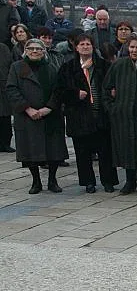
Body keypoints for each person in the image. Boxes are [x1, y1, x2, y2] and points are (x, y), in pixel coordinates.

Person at [56, 34, 117, 193]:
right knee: (83, 152)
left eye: (88, 44)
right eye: (81, 44)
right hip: (79, 115)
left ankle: (108, 181)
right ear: (76, 47)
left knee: (105, 151)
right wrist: (75, 94)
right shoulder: (68, 68)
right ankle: (88, 182)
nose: (85, 47)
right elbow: (60, 91)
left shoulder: (103, 65)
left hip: (100, 113)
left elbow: (112, 86)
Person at [5, 38, 68, 193]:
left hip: (50, 116)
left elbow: (58, 90)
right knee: (30, 150)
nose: (34, 51)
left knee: (54, 150)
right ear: (25, 51)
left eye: (38, 49)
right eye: (31, 48)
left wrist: (49, 108)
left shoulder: (51, 67)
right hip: (27, 117)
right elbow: (12, 90)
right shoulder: (17, 68)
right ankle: (36, 182)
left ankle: (52, 180)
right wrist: (27, 108)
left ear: (43, 51)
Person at [103, 33, 137, 195]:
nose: (134, 50)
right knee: (127, 148)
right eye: (131, 47)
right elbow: (106, 88)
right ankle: (130, 181)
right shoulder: (119, 65)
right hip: (123, 115)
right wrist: (113, 109)